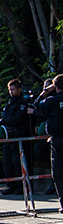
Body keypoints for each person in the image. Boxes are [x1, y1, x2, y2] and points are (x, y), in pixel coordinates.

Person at [34, 75, 63, 213]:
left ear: (56, 87)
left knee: (58, 172)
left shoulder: (52, 101)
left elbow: (37, 105)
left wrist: (45, 91)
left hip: (58, 140)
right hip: (58, 139)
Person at [0, 79, 30, 195]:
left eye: (13, 89)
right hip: (8, 136)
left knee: (17, 162)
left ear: (19, 89)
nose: (11, 92)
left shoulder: (22, 102)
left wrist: (5, 120)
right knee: (6, 161)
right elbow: (5, 115)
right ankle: (11, 185)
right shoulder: (10, 102)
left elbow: (18, 118)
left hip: (19, 134)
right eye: (9, 90)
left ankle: (21, 186)